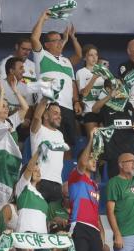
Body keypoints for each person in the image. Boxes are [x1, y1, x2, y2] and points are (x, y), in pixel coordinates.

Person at [31, 10, 82, 149]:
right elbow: (34, 39)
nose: (60, 43)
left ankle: (64, 171)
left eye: (61, 40)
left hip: (68, 108)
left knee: (67, 146)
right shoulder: (41, 56)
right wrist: (43, 18)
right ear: (47, 45)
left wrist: (72, 38)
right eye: (55, 41)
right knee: (50, 144)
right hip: (49, 106)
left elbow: (79, 56)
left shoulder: (66, 61)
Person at [68, 129, 104, 251]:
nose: (94, 160)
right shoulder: (77, 176)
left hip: (93, 230)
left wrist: (101, 232)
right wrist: (91, 139)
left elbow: (96, 213)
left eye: (95, 158)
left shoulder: (95, 186)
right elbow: (82, 163)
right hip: (79, 225)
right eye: (91, 158)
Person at [91, 79, 134, 179]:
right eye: (116, 85)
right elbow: (94, 109)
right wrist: (110, 96)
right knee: (117, 184)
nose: (120, 88)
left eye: (121, 85)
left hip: (133, 152)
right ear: (108, 89)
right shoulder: (105, 106)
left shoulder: (128, 105)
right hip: (115, 155)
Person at [29, 97, 65, 203]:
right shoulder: (38, 129)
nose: (59, 116)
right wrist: (45, 98)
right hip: (41, 180)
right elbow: (36, 117)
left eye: (59, 114)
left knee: (53, 219)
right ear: (45, 115)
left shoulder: (60, 134)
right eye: (55, 113)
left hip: (58, 184)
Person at [75, 44, 104, 134]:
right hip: (89, 111)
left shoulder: (103, 72)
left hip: (103, 111)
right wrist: (94, 77)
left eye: (96, 55)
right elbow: (83, 94)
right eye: (91, 55)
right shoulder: (81, 72)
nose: (94, 57)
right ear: (84, 58)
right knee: (94, 141)